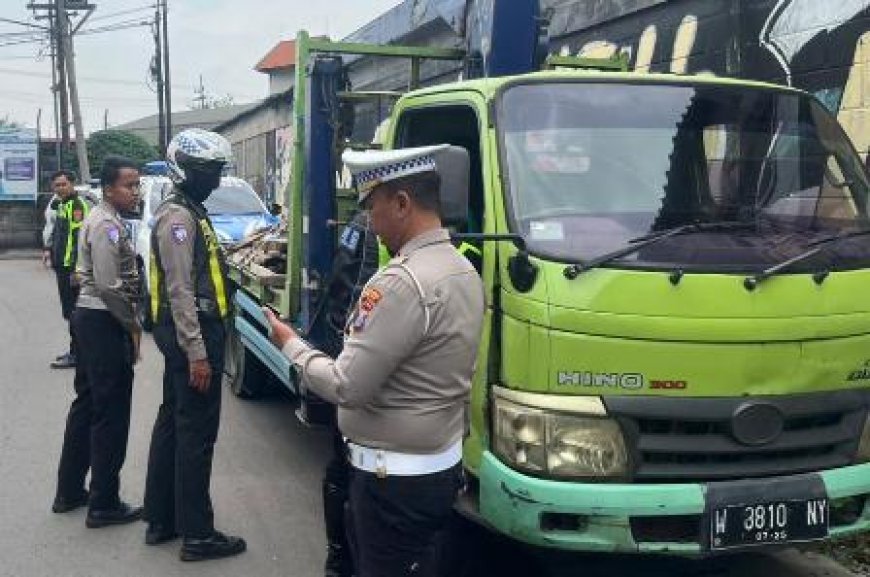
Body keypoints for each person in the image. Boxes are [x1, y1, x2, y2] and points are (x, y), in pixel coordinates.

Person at [266, 145, 485, 577]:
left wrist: (291, 346)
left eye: (373, 206)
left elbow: (348, 385)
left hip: (393, 486)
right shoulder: (463, 270)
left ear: (402, 203)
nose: (370, 222)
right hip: (436, 468)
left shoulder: (402, 282)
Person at [142, 128, 246, 562]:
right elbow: (182, 291)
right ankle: (198, 534)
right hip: (193, 335)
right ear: (183, 168)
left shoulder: (188, 208)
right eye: (209, 171)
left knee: (173, 423)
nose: (216, 179)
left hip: (188, 334)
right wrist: (198, 353)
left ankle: (162, 518)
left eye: (219, 170)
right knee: (196, 435)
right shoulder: (179, 219)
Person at [52, 156, 143, 528]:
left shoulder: (103, 217)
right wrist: (132, 325)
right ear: (109, 189)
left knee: (87, 404)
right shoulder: (106, 223)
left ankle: (70, 491)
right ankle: (104, 502)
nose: (135, 192)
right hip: (103, 320)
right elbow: (109, 285)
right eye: (129, 186)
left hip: (88, 319)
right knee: (111, 412)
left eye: (137, 185)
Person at [44, 170, 90, 369]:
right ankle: (77, 351)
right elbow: (56, 231)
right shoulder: (62, 205)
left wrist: (76, 269)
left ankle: (78, 354)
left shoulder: (78, 206)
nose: (60, 188)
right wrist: (48, 250)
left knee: (74, 312)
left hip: (71, 269)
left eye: (64, 184)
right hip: (61, 266)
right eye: (57, 185)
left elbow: (80, 239)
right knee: (69, 311)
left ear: (72, 184)